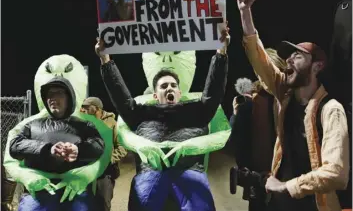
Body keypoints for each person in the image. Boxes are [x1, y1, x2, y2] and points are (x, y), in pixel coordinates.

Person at [237, 0, 350, 211]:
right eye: (288, 55)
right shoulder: (285, 95)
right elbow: (260, 60)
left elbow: (337, 173)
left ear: (317, 66)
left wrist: (286, 186)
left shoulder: (331, 110)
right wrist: (245, 12)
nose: (288, 59)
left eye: (297, 55)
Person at [95, 26, 229, 211]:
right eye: (164, 85)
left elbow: (214, 89)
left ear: (179, 92)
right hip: (151, 174)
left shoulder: (197, 110)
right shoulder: (141, 112)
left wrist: (221, 52)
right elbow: (120, 95)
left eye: (173, 85)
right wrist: (105, 59)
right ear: (155, 94)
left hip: (189, 172)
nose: (169, 88)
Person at [9, 76, 105, 211]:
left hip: (73, 193)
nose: (52, 98)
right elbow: (14, 146)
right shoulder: (32, 125)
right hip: (39, 195)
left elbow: (98, 145)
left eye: (58, 93)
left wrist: (78, 150)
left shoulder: (83, 125)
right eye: (49, 94)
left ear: (69, 98)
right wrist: (47, 149)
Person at [229, 48, 286, 211]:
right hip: (259, 178)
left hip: (285, 176)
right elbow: (238, 141)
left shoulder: (289, 99)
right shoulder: (250, 104)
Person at [81, 96, 127, 211]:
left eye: (87, 108)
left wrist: (109, 158)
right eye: (83, 108)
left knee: (103, 205)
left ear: (96, 109)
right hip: (87, 173)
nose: (84, 110)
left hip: (105, 174)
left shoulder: (112, 123)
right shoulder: (84, 123)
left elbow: (122, 147)